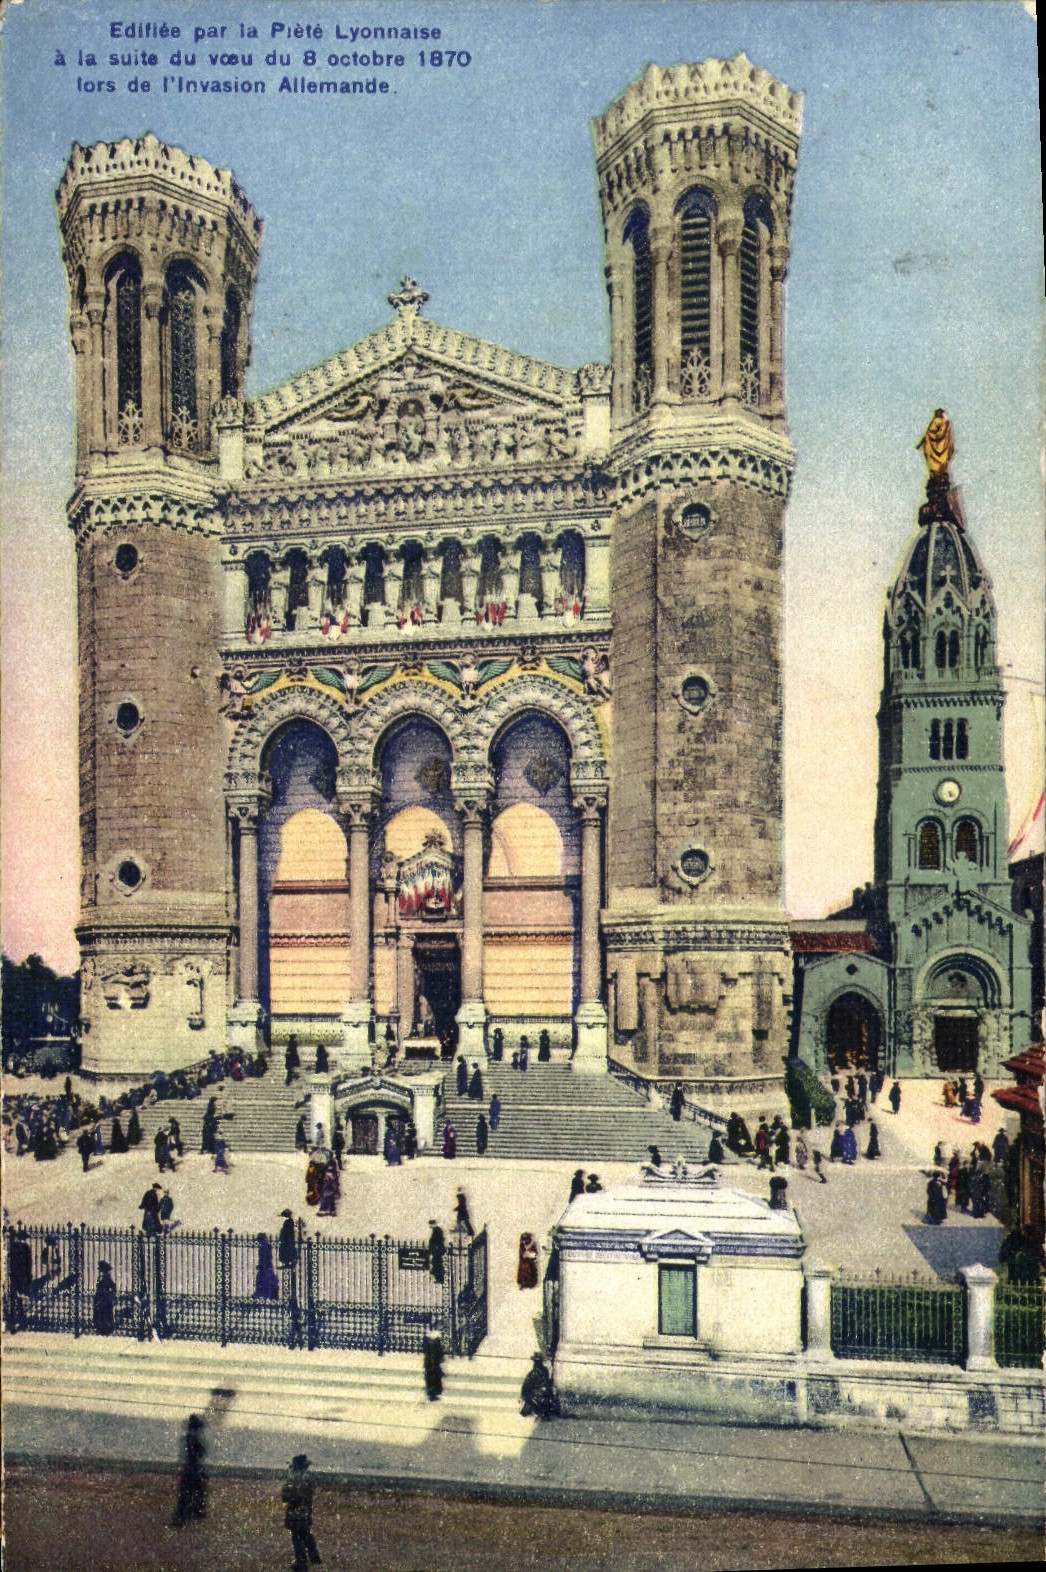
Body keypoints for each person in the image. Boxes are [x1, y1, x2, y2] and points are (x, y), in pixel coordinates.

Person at [282, 1454, 322, 1571]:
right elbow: (309, 1496)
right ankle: (314, 1557)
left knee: (296, 1537)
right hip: (305, 1512)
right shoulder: (307, 1479)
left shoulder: (292, 1479)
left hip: (294, 1512)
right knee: (306, 1534)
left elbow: (285, 1497)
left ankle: (301, 1562)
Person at [172, 1414, 207, 1526]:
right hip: (193, 1468)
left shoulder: (189, 1437)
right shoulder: (192, 1437)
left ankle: (185, 1514)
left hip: (190, 1468)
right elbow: (198, 1453)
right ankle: (188, 1513)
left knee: (189, 1491)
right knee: (193, 1490)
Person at [520, 1353, 559, 1419]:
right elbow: (527, 1388)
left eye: (539, 1362)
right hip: (533, 1395)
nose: (537, 1364)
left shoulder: (543, 1371)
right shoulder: (534, 1373)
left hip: (540, 1393)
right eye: (536, 1362)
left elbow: (546, 1382)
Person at [93, 1260, 117, 1334]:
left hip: (104, 1299)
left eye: (101, 1270)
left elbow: (112, 1287)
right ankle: (102, 1328)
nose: (100, 1271)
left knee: (104, 1314)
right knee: (102, 1314)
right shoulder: (102, 1277)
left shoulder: (106, 1278)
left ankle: (104, 1329)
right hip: (101, 1299)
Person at [423, 1319, 444, 1401]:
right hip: (434, 1361)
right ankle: (433, 1394)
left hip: (429, 1361)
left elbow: (425, 1348)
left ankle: (431, 1393)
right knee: (434, 1378)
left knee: (430, 1377)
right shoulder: (437, 1338)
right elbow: (438, 1350)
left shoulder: (427, 1336)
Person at [254, 1233, 279, 1299]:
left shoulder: (263, 1246)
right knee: (265, 1281)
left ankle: (263, 1294)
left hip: (265, 1268)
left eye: (259, 1240)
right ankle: (264, 1295)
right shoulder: (266, 1245)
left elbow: (264, 1258)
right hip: (267, 1267)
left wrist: (262, 1266)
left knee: (263, 1281)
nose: (258, 1242)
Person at [428, 1220, 446, 1285]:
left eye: (430, 1224)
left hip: (437, 1250)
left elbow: (436, 1240)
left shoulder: (437, 1230)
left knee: (437, 1264)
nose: (430, 1226)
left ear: (433, 1224)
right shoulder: (436, 1230)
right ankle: (439, 1278)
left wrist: (434, 1247)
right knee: (436, 1264)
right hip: (437, 1250)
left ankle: (440, 1279)